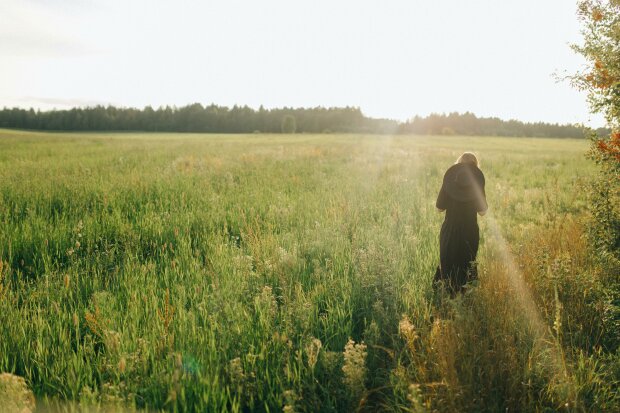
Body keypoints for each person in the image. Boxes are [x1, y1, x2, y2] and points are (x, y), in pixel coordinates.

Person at [434, 152, 488, 297]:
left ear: (458, 164)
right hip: (470, 230)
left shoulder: (450, 181)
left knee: (447, 261)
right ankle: (465, 296)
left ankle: (446, 295)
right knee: (467, 262)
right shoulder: (476, 183)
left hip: (450, 230)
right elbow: (483, 212)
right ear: (475, 167)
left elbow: (439, 208)